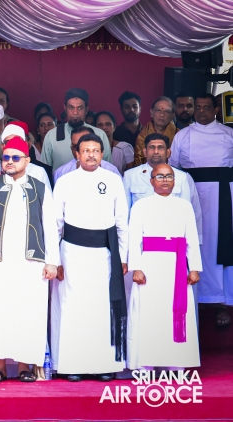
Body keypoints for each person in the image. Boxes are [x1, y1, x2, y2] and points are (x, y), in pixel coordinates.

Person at [0, 137, 60, 383]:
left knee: (28, 312)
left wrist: (52, 261)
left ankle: (24, 366)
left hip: (31, 262)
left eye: (15, 158)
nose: (9, 162)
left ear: (27, 161)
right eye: (6, 158)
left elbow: (50, 226)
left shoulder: (39, 187)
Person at [51, 133, 129, 382]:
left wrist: (123, 256)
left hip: (104, 253)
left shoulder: (113, 180)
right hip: (72, 252)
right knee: (74, 307)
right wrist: (55, 260)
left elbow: (122, 222)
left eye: (96, 150)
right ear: (77, 153)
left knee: (101, 307)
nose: (91, 155)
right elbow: (55, 224)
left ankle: (103, 364)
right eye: (86, 151)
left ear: (102, 154)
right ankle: (73, 365)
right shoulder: (65, 181)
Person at [127, 163, 202, 371]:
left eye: (169, 176)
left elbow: (191, 238)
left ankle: (176, 364)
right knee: (150, 312)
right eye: (160, 176)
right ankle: (146, 365)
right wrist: (136, 267)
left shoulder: (184, 206)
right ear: (151, 181)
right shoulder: (141, 206)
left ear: (175, 181)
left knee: (175, 312)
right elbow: (134, 240)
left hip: (176, 266)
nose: (165, 180)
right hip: (149, 265)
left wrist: (194, 267)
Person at [170, 93, 233, 326]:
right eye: (198, 107)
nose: (202, 111)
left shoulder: (228, 134)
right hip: (192, 193)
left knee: (219, 244)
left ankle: (221, 301)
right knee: (195, 242)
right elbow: (174, 167)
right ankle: (193, 298)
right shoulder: (182, 135)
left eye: (207, 107)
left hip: (223, 196)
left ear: (216, 110)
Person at [123, 133, 202, 239]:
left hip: (172, 236)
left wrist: (194, 240)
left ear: (168, 152)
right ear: (145, 152)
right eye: (152, 147)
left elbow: (191, 213)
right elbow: (124, 212)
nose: (156, 151)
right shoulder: (130, 175)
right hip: (141, 236)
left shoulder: (182, 177)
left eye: (160, 147)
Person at [40, 88, 112, 170]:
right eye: (71, 108)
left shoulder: (99, 134)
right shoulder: (52, 136)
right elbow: (44, 170)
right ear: (65, 108)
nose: (75, 112)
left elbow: (108, 169)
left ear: (87, 109)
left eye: (80, 108)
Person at [0, 123, 52, 188]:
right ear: (2, 147)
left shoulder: (39, 171)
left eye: (17, 141)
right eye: (8, 142)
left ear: (26, 145)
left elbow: (46, 197)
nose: (12, 145)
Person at [53, 126, 121, 182]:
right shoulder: (61, 173)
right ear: (71, 148)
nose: (80, 149)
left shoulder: (111, 170)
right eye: (75, 146)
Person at [134, 96, 179, 166]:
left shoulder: (179, 135)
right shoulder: (142, 136)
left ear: (173, 115)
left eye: (167, 111)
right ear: (151, 113)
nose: (162, 115)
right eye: (158, 110)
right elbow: (138, 163)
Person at [96, 111, 134, 175]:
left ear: (114, 127)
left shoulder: (124, 148)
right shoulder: (90, 149)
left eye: (108, 124)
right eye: (100, 125)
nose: (104, 127)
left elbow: (131, 174)